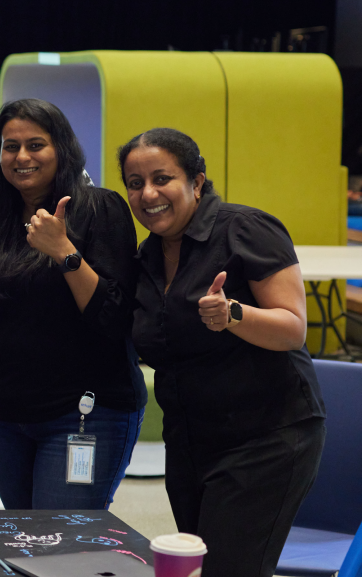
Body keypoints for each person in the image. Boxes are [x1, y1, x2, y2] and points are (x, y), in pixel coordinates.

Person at [118, 128, 325, 577]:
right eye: (135, 183)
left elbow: (293, 328)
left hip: (266, 435)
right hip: (191, 441)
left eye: (161, 178)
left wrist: (233, 315)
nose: (148, 193)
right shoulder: (147, 256)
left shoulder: (246, 228)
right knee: (200, 566)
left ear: (197, 181)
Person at [0, 98, 145, 509]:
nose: (21, 157)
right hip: (5, 415)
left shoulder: (100, 208)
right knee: (25, 545)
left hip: (84, 413)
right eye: (10, 147)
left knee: (61, 550)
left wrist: (64, 251)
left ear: (61, 149)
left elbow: (114, 317)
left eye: (36, 144)